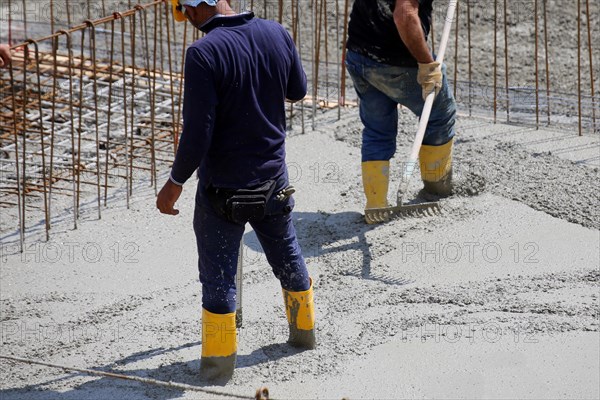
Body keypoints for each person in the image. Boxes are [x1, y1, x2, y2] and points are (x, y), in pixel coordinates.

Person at [156, 0, 316, 381]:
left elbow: (197, 134)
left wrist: (174, 183)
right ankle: (304, 336)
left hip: (222, 192)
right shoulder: (277, 32)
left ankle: (218, 367)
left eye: (184, 12)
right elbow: (298, 90)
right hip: (274, 183)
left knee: (218, 278)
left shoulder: (202, 53)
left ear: (192, 9)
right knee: (288, 256)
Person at [345, 0, 457, 223]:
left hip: (359, 55)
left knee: (377, 130)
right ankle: (436, 189)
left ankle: (376, 206)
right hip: (395, 62)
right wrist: (426, 64)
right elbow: (404, 15)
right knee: (439, 114)